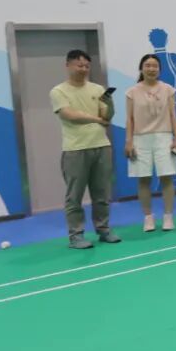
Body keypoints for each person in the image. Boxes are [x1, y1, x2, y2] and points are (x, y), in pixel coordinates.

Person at [50, 49, 119, 249]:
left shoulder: (97, 89)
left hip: (101, 146)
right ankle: (76, 236)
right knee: (75, 196)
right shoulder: (58, 91)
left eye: (87, 66)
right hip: (75, 149)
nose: (83, 69)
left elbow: (107, 117)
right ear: (68, 65)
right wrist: (96, 119)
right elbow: (68, 114)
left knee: (102, 194)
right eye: (79, 65)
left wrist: (110, 105)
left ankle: (103, 229)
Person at [124, 54, 176, 233]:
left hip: (164, 137)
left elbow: (173, 115)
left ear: (159, 69)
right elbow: (129, 119)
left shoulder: (168, 89)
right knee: (144, 179)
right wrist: (129, 141)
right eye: (147, 65)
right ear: (141, 68)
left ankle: (168, 216)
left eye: (155, 66)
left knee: (167, 178)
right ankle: (148, 217)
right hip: (140, 139)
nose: (151, 69)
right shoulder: (132, 92)